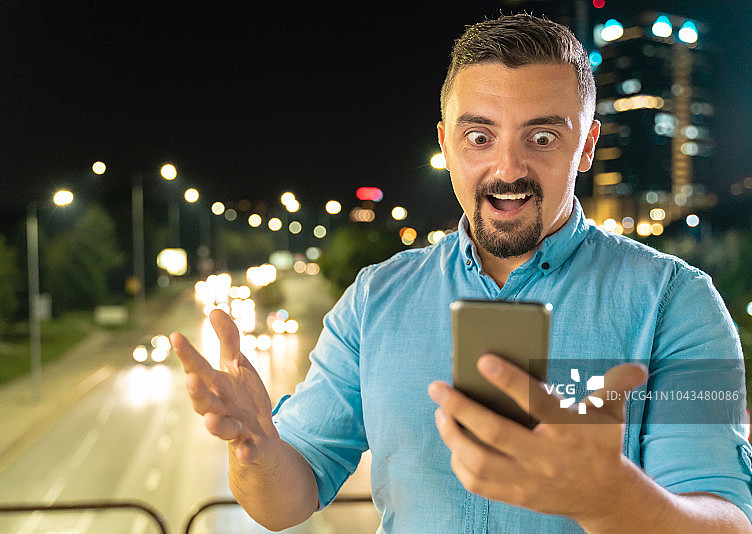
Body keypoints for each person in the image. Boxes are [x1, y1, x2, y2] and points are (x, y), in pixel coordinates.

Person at [172, 13, 752, 533]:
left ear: (586, 146)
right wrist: (255, 448)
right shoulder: (374, 300)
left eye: (542, 137)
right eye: (479, 137)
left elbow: (726, 522)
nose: (508, 168)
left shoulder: (677, 302)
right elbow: (284, 503)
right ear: (446, 144)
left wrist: (610, 500)